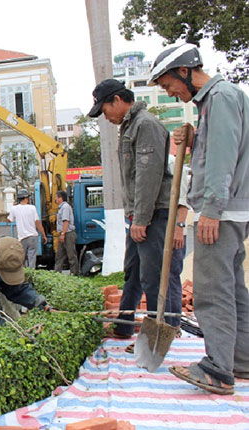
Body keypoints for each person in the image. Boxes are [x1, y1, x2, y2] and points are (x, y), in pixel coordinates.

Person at [148, 43, 249, 395]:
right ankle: (241, 361)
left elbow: (223, 159)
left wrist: (210, 210)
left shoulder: (219, 98)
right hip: (234, 210)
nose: (170, 92)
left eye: (168, 85)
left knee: (212, 291)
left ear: (185, 71)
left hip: (220, 211)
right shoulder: (220, 99)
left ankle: (218, 370)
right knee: (233, 289)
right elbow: (224, 147)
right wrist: (193, 139)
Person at [87, 78, 172, 342]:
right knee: (133, 271)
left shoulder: (145, 124)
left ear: (118, 100)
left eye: (105, 109)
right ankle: (124, 326)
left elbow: (148, 177)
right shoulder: (130, 126)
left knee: (153, 277)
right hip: (139, 214)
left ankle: (158, 337)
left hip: (152, 214)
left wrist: (142, 219)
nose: (106, 116)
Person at [166, 155, 190, 329]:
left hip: (175, 231)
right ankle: (164, 321)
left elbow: (183, 202)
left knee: (171, 277)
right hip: (161, 231)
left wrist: (179, 229)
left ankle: (173, 325)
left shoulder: (173, 163)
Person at [8, 189, 48, 269]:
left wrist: (13, 208)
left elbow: (8, 220)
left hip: (22, 238)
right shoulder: (32, 208)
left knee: (22, 258)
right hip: (33, 237)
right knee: (32, 258)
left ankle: (22, 276)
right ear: (26, 198)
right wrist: (44, 235)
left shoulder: (14, 209)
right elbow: (38, 223)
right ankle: (31, 275)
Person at [53, 191, 79, 275]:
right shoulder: (61, 207)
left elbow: (66, 221)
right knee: (59, 255)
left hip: (68, 234)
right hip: (63, 234)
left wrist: (63, 234)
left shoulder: (65, 207)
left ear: (60, 198)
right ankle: (57, 274)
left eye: (56, 197)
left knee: (71, 255)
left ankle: (74, 274)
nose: (55, 199)